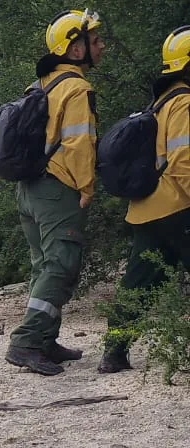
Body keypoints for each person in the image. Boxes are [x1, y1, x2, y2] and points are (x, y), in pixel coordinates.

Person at [5, 9, 106, 376]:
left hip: (30, 188)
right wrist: (86, 187)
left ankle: (45, 340)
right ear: (75, 50)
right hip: (58, 188)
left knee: (43, 264)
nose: (101, 46)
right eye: (94, 41)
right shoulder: (76, 87)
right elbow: (80, 144)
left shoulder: (40, 85)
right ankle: (27, 343)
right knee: (61, 264)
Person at [99, 27, 190, 373]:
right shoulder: (183, 103)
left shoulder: (161, 102)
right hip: (178, 206)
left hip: (148, 208)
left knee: (138, 284)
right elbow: (184, 161)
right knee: (140, 282)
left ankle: (114, 352)